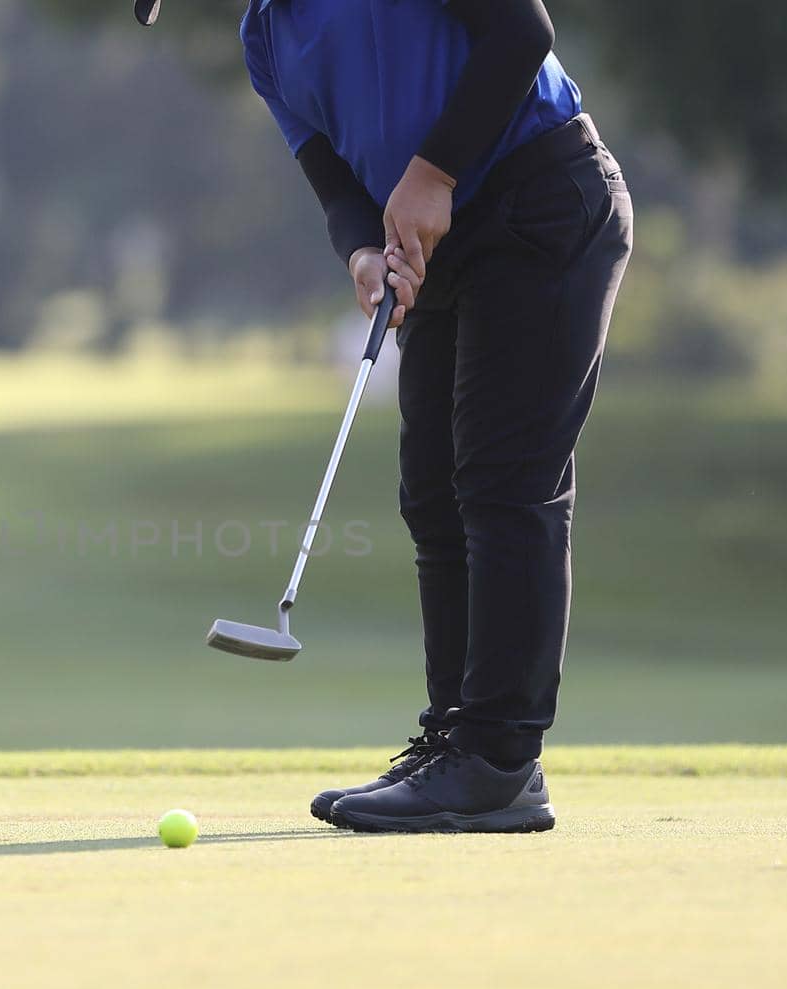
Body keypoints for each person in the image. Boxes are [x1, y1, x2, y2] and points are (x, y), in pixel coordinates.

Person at [237, 0, 634, 832]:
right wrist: (362, 250)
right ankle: (459, 739)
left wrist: (433, 173)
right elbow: (333, 179)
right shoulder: (263, 37)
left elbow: (524, 31)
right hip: (441, 245)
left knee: (502, 483)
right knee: (433, 494)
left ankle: (497, 758)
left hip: (543, 196)